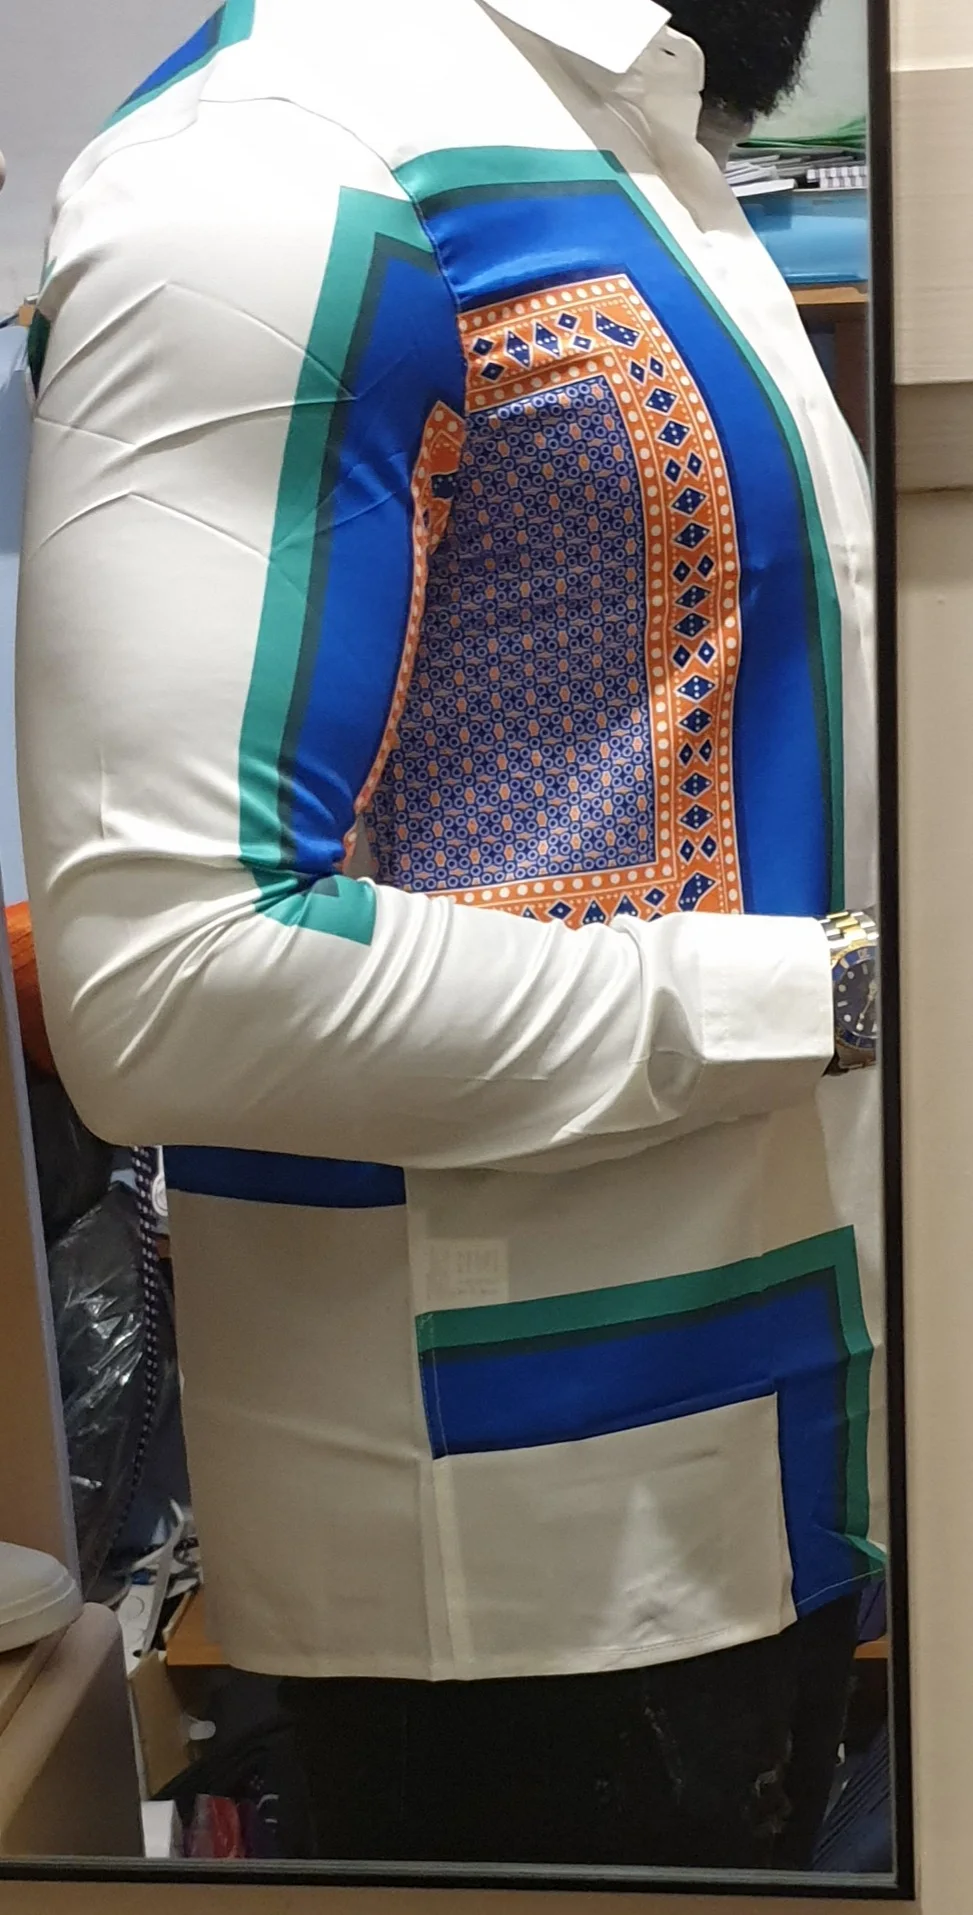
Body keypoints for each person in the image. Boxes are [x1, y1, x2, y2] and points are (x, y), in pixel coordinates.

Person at [17, 0, 881, 1870]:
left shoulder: (630, 136)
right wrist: (831, 996)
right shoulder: (283, 165)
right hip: (521, 1554)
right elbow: (172, 983)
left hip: (769, 1438)